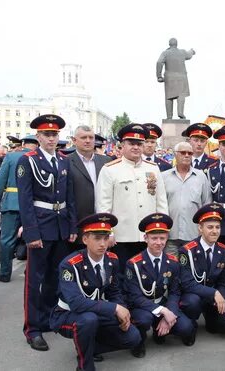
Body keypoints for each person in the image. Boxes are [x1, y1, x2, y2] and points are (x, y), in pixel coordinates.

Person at [16, 114, 78, 351]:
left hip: (61, 227)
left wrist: (72, 227)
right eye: (47, 134)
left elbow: (69, 197)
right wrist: (31, 233)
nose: (51, 138)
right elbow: (25, 199)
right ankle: (32, 328)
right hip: (40, 228)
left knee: (55, 279)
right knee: (35, 281)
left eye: (54, 134)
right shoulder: (28, 161)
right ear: (38, 136)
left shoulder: (63, 161)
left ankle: (50, 318)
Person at [49, 213, 141, 371]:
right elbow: (76, 303)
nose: (102, 244)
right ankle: (85, 365)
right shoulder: (70, 265)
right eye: (97, 238)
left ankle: (90, 348)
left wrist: (121, 309)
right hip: (67, 314)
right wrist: (114, 308)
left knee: (133, 337)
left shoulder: (111, 260)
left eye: (106, 238)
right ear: (85, 239)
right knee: (88, 320)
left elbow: (114, 292)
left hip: (95, 310)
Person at [96, 123, 168, 276]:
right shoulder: (110, 169)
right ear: (122, 145)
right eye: (131, 143)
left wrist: (161, 230)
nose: (136, 147)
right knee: (121, 276)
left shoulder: (153, 168)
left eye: (139, 144)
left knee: (147, 275)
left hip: (148, 235)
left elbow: (161, 202)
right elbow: (103, 205)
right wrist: (107, 231)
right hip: (121, 236)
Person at [125, 213, 195, 358]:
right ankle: (138, 341)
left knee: (186, 328)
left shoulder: (173, 262)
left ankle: (160, 332)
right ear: (146, 238)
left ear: (167, 238)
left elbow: (175, 292)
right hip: (142, 307)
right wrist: (163, 311)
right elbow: (134, 297)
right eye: (154, 238)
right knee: (144, 320)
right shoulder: (134, 264)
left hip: (163, 303)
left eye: (162, 238)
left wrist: (168, 314)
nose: (158, 242)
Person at [178, 203, 225, 336]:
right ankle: (191, 322)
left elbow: (223, 280)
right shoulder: (187, 251)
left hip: (213, 295)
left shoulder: (224, 251)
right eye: (210, 227)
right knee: (192, 303)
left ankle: (210, 314)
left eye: (217, 227)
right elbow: (187, 283)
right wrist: (214, 293)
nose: (214, 231)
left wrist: (221, 295)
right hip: (194, 295)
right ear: (200, 228)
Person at [0, 135, 38, 282]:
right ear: (36, 144)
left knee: (6, 240)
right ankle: (30, 272)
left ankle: (4, 273)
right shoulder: (37, 158)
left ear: (23, 144)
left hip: (11, 203)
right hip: (32, 205)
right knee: (34, 239)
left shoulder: (11, 157)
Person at [162, 141, 212, 255]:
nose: (187, 155)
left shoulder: (201, 177)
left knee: (192, 269)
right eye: (183, 152)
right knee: (171, 269)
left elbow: (206, 205)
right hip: (170, 235)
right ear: (175, 154)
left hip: (193, 235)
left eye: (190, 153)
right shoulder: (164, 177)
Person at [69, 125, 111, 248]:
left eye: (90, 137)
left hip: (103, 223)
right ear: (74, 140)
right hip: (78, 226)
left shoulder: (106, 161)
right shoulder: (66, 162)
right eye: (83, 137)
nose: (87, 140)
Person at [156, 38, 195, 119]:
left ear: (169, 44)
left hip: (169, 78)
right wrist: (192, 51)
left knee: (169, 97)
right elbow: (189, 55)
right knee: (181, 95)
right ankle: (180, 112)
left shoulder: (165, 53)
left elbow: (159, 62)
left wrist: (159, 76)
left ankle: (169, 116)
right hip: (182, 78)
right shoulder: (182, 52)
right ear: (177, 44)